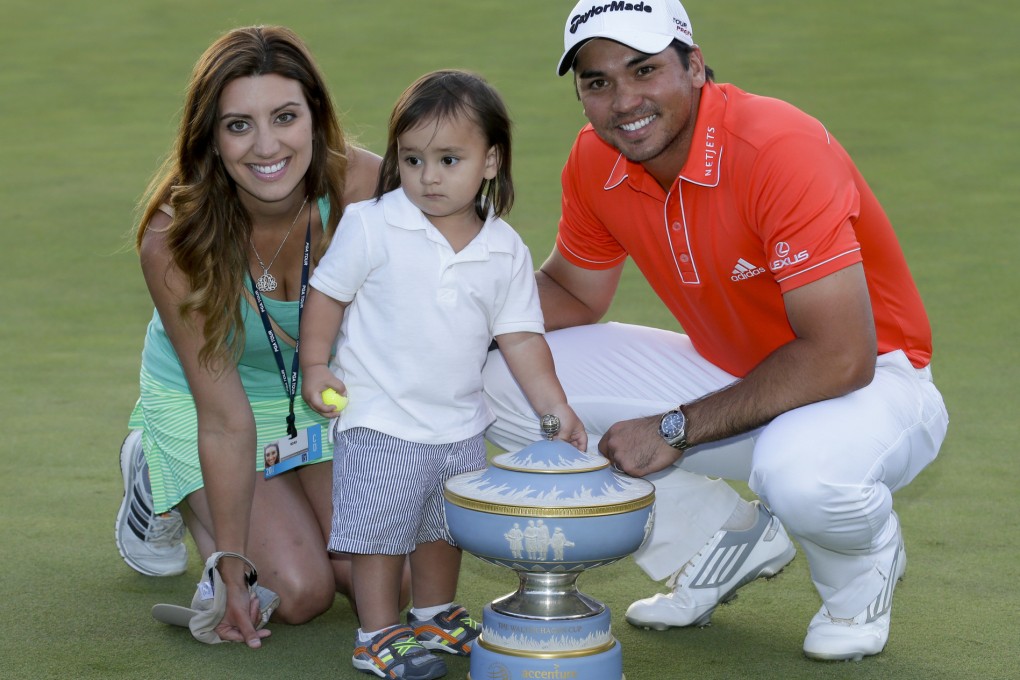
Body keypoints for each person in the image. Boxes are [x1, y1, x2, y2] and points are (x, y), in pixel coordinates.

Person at [482, 0, 948, 662]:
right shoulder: (595, 159)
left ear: (694, 66)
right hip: (732, 372)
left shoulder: (776, 148)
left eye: (644, 70)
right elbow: (569, 293)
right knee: (505, 379)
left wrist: (674, 428)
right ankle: (712, 539)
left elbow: (843, 356)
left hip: (875, 382)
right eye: (597, 82)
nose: (623, 101)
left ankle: (860, 575)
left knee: (800, 478)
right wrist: (452, 321)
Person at [113, 25, 409, 648]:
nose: (266, 145)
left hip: (319, 393)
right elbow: (224, 418)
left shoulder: (365, 192)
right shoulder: (174, 239)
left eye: (284, 117)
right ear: (211, 139)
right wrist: (230, 565)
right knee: (300, 593)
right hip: (208, 402)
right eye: (239, 125)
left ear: (316, 119)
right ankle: (155, 466)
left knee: (387, 577)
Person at [300, 69, 587, 679]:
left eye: (449, 159)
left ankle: (433, 615)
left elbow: (521, 337)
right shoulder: (373, 224)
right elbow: (326, 296)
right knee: (381, 535)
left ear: (490, 161)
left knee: (442, 527)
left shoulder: (504, 248)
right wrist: (316, 362)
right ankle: (377, 634)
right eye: (412, 159)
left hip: (459, 423)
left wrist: (553, 407)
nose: (428, 177)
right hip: (379, 417)